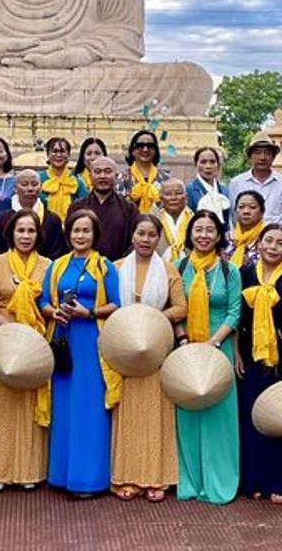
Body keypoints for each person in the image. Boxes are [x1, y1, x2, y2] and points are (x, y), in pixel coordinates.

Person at [39, 209, 121, 496]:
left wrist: (90, 312)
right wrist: (53, 313)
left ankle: (89, 479)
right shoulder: (58, 265)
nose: (80, 236)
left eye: (86, 231)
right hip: (63, 340)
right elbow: (43, 300)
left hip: (91, 342)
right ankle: (61, 475)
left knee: (89, 407)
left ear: (94, 234)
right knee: (64, 407)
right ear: (68, 234)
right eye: (76, 230)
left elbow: (117, 303)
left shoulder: (105, 267)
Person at [110, 214, 187, 501]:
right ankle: (128, 476)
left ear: (159, 238)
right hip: (124, 350)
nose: (145, 240)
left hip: (156, 348)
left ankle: (156, 477)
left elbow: (181, 307)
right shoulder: (115, 268)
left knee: (156, 414)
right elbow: (105, 303)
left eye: (151, 235)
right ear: (132, 237)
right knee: (127, 414)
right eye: (140, 234)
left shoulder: (168, 270)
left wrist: (153, 318)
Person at [234, 223, 282, 504]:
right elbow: (237, 317)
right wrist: (236, 353)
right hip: (250, 354)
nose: (273, 247)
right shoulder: (244, 274)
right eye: (268, 240)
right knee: (253, 418)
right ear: (259, 243)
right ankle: (256, 480)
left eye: (280, 243)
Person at [174, 210, 242, 505]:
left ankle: (219, 481)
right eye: (198, 229)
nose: (203, 235)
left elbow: (235, 310)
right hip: (186, 350)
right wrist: (184, 340)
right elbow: (173, 307)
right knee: (187, 414)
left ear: (218, 235)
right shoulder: (178, 267)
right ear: (190, 235)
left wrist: (214, 342)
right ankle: (190, 480)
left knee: (219, 417)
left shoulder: (230, 270)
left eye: (209, 230)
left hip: (219, 348)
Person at [0, 210, 51, 490]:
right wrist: (9, 328)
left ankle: (28, 471)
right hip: (2, 341)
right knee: (1, 407)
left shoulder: (48, 265)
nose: (25, 236)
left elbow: (50, 302)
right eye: (20, 231)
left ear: (38, 235)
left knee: (28, 406)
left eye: (31, 231)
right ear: (10, 233)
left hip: (35, 343)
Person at [67, 155, 138, 261]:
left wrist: (121, 264)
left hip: (118, 268)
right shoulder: (77, 207)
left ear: (116, 175)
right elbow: (69, 239)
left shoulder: (129, 208)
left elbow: (134, 241)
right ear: (90, 176)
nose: (102, 176)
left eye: (108, 171)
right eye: (98, 172)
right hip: (83, 267)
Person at [0, 168, 66, 259]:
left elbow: (57, 255)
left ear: (41, 188)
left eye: (34, 184)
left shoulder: (53, 220)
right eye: (24, 184)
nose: (30, 189)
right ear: (15, 188)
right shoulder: (0, 220)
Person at [228, 132, 282, 226]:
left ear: (273, 157)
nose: (262, 157)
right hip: (246, 238)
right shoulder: (236, 183)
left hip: (275, 237)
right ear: (250, 157)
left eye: (267, 153)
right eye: (257, 153)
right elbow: (234, 217)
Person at [117, 129, 169, 214]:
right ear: (133, 151)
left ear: (156, 151)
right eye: (140, 146)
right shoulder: (123, 178)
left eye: (150, 146)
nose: (145, 149)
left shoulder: (165, 178)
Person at [39, 136, 87, 220]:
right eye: (55, 151)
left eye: (62, 151)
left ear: (68, 155)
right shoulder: (39, 179)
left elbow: (86, 207)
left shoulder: (77, 182)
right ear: (48, 154)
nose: (58, 155)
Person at [186, 146, 230, 227]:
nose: (208, 166)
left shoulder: (225, 191)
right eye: (203, 162)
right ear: (196, 164)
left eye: (212, 162)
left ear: (218, 165)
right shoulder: (189, 190)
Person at [154, 178, 191, 265]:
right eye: (168, 194)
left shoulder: (195, 219)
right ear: (161, 198)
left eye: (178, 193)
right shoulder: (153, 220)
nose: (173, 198)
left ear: (186, 196)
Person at [229, 191, 267, 267]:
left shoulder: (267, 239)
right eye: (241, 207)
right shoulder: (227, 238)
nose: (246, 211)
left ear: (262, 212)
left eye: (252, 207)